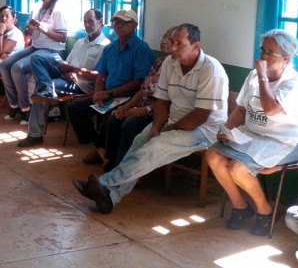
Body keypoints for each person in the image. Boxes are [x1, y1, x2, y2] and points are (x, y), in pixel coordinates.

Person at [74, 23, 229, 214]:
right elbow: (162, 101)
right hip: (173, 121)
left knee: (154, 147)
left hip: (203, 130)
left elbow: (200, 116)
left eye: (179, 44)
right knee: (139, 141)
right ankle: (110, 198)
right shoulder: (169, 63)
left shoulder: (211, 70)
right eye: (171, 42)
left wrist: (166, 132)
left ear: (196, 46)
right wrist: (156, 127)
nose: (172, 48)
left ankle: (103, 183)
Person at [205, 29, 298, 236]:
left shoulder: (293, 83)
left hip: (285, 141)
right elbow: (242, 108)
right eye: (263, 50)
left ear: (286, 59)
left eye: (271, 53)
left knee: (238, 168)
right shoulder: (253, 76)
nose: (263, 56)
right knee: (213, 155)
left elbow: (271, 109)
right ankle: (241, 206)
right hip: (252, 135)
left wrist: (262, 75)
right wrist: (226, 129)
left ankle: (265, 211)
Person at [66, 9, 154, 164]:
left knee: (110, 117)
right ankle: (99, 147)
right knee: (75, 108)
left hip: (129, 97)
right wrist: (99, 93)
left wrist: (109, 93)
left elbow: (139, 81)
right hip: (107, 94)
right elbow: (101, 75)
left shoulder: (141, 49)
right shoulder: (110, 49)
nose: (119, 25)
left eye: (124, 22)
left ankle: (105, 152)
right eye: (116, 22)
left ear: (134, 25)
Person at [17, 9, 109, 147]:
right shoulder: (80, 42)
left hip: (81, 84)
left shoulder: (105, 46)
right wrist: (67, 72)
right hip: (67, 75)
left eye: (91, 21)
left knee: (40, 88)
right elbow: (66, 64)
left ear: (100, 21)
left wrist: (74, 71)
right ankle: (46, 88)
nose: (87, 25)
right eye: (85, 22)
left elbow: (97, 76)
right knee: (37, 57)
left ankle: (35, 134)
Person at [101, 26, 175, 170]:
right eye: (163, 38)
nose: (163, 41)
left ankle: (126, 168)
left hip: (160, 110)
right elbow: (142, 90)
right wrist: (126, 107)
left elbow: (170, 102)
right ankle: (112, 160)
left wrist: (144, 110)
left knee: (130, 125)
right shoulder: (159, 61)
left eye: (168, 38)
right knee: (115, 117)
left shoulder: (177, 67)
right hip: (142, 104)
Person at [0, 0, 67, 124]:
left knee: (18, 68)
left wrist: (43, 29)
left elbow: (63, 37)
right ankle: (14, 104)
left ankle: (26, 109)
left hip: (52, 51)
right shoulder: (36, 7)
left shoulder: (58, 10)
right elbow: (28, 34)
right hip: (35, 46)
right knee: (5, 65)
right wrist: (30, 29)